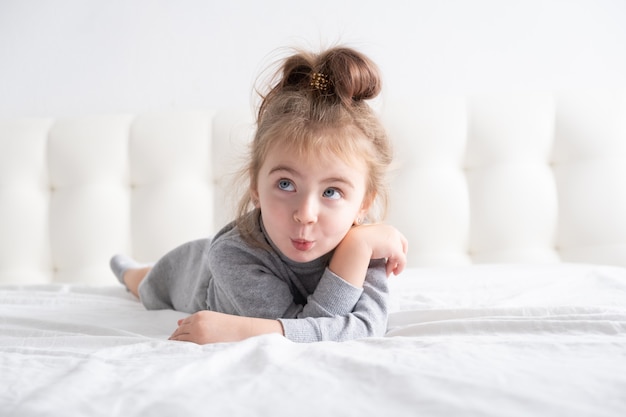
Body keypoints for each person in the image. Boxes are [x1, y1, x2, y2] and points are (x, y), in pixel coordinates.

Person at [110, 45, 408, 344]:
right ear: (255, 186)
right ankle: (128, 272)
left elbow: (368, 327)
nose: (305, 214)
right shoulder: (233, 257)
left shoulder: (366, 242)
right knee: (148, 285)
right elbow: (306, 329)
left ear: (363, 204)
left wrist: (240, 329)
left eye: (331, 191)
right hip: (192, 271)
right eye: (286, 184)